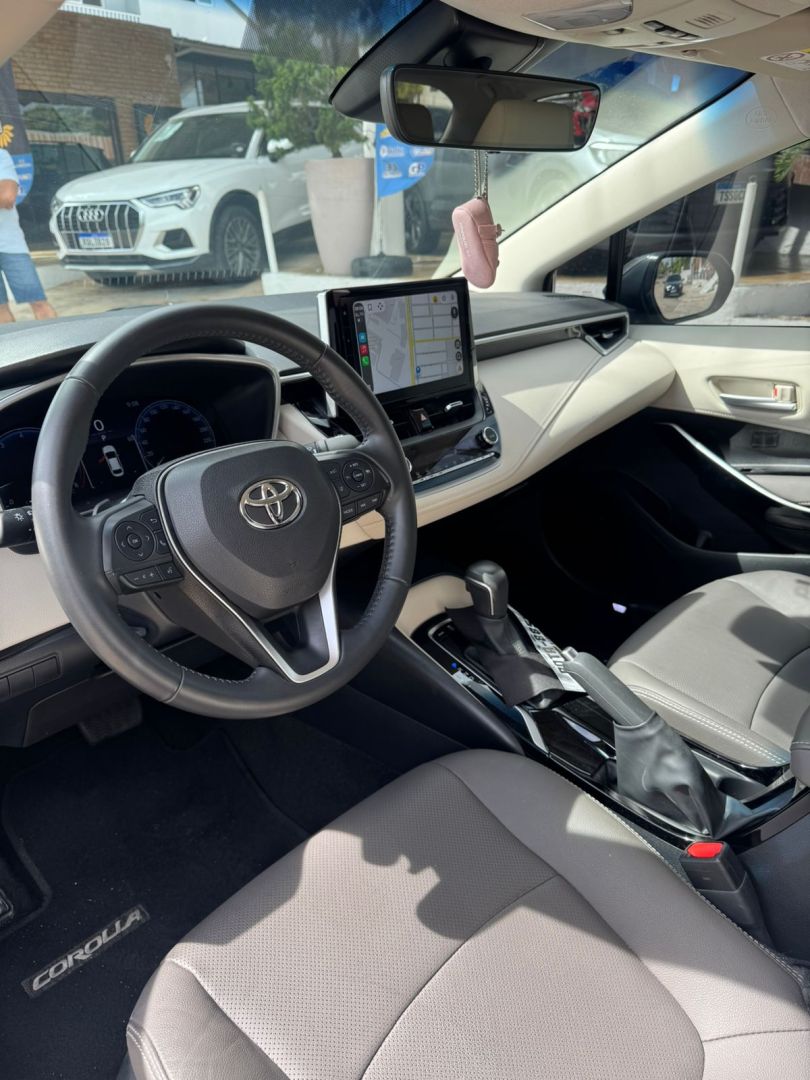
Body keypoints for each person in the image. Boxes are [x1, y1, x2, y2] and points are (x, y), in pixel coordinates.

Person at [0, 147, 56, 322]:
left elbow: (7, 197)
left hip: (10, 245)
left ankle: (59, 338)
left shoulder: (1, 156)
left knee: (39, 303)